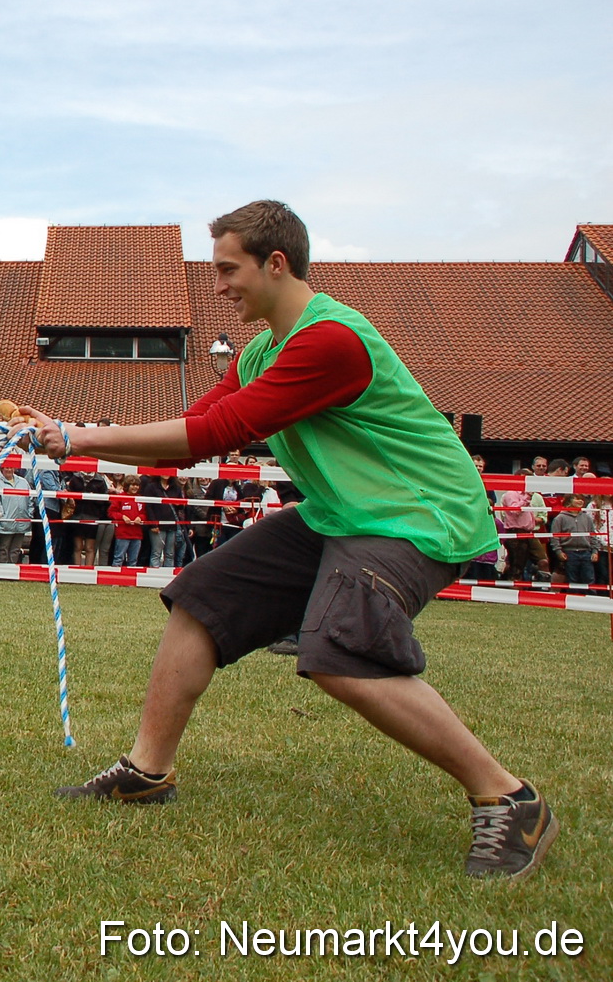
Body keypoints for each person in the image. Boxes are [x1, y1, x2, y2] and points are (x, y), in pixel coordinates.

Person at [31, 200, 553, 880]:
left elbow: (214, 434)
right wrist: (73, 442)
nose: (217, 285)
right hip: (342, 513)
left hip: (418, 518)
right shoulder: (258, 352)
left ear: (276, 263)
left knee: (337, 652)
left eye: (227, 268)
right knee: (201, 596)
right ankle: (147, 772)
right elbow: (188, 437)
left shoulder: (329, 340)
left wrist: (79, 436)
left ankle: (511, 798)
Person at [549, 497, 596, 586]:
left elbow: (592, 535)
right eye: (576, 498)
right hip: (569, 553)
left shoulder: (586, 517)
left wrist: (595, 551)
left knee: (589, 580)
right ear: (569, 501)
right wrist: (558, 551)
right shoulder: (560, 518)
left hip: (586, 552)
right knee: (572, 581)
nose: (580, 500)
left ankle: (591, 599)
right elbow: (554, 537)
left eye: (581, 499)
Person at [108, 476, 145, 566]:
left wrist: (140, 517)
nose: (135, 487)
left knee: (133, 561)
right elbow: (111, 512)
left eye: (137, 485)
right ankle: (115, 578)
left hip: (137, 534)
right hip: (123, 534)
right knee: (118, 559)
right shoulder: (120, 497)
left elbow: (144, 513)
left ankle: (131, 579)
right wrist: (122, 517)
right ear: (127, 485)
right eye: (133, 485)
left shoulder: (141, 498)